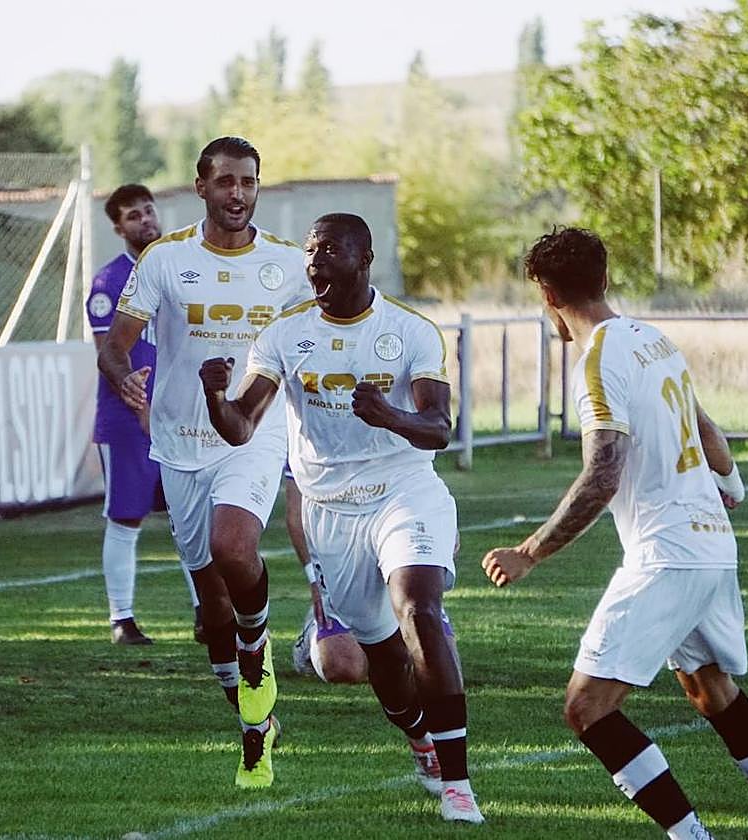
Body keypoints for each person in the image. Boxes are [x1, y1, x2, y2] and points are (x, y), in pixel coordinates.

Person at [201, 212, 484, 822]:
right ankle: (418, 739)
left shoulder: (410, 330)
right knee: (377, 655)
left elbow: (439, 428)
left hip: (405, 491)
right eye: (310, 252)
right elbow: (241, 427)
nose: (315, 262)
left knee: (420, 609)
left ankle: (459, 786)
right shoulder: (282, 335)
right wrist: (213, 396)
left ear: (364, 259)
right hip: (331, 514)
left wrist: (390, 417)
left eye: (329, 250)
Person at [482, 227, 748, 839]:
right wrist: (733, 485)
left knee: (586, 708)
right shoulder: (651, 338)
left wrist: (529, 552)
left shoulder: (598, 361)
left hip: (668, 555)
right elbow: (704, 421)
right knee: (710, 691)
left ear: (547, 293)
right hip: (709, 544)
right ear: (604, 279)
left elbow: (603, 470)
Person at [98, 137, 308, 788]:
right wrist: (124, 377)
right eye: (225, 182)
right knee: (212, 601)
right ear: (201, 187)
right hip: (179, 440)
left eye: (249, 182)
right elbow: (116, 343)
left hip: (253, 431)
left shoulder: (286, 264)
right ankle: (250, 712)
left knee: (233, 545)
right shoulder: (165, 259)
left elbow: (311, 341)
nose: (238, 194)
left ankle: (259, 645)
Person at [87, 183, 201, 645]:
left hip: (178, 416)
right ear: (118, 227)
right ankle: (123, 619)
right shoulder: (108, 282)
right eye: (134, 216)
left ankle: (205, 612)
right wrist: (141, 407)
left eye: (149, 211)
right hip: (127, 420)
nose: (146, 221)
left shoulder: (179, 268)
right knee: (126, 517)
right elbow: (107, 354)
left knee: (190, 516)